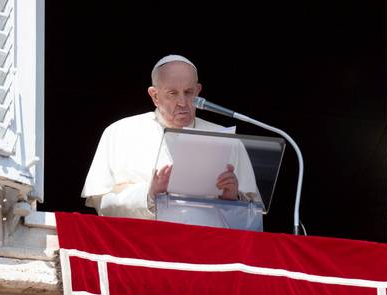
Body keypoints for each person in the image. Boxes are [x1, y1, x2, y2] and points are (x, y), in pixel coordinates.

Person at [81, 54, 257, 219]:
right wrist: (149, 195)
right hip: (143, 244)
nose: (182, 102)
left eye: (188, 92)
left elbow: (253, 214)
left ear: (198, 91)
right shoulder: (120, 132)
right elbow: (102, 204)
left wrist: (233, 199)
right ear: (155, 96)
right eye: (172, 93)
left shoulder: (224, 138)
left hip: (207, 244)